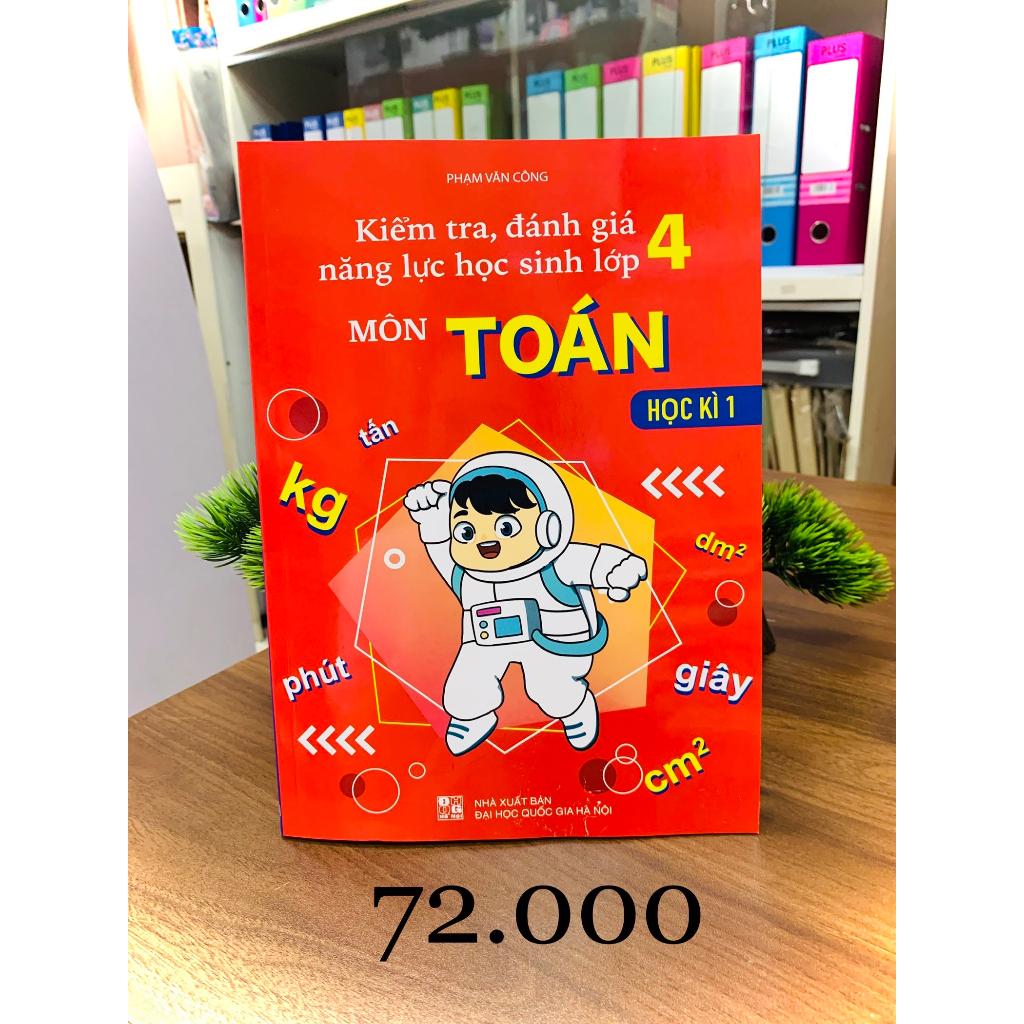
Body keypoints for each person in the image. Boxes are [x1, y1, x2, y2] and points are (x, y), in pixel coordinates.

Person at [404, 451, 648, 755]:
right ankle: (473, 716)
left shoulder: (557, 565)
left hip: (553, 640)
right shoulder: (469, 578)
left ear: (549, 527)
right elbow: (440, 548)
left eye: (506, 528)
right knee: (464, 688)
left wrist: (617, 570)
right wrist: (432, 519)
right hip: (485, 641)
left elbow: (595, 561)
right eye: (466, 532)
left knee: (551, 689)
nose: (485, 542)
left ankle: (574, 707)